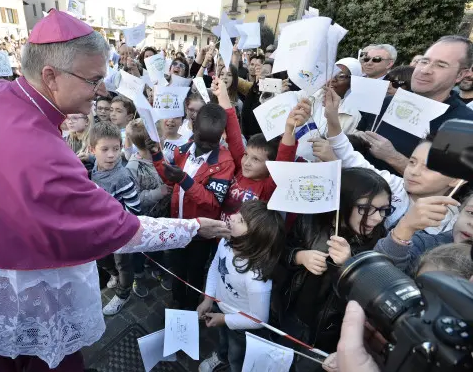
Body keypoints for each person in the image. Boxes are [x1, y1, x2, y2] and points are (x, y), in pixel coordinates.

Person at [0, 10, 230, 371]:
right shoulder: (46, 155)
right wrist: (195, 227)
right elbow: (120, 229)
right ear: (50, 76)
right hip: (32, 283)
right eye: (93, 79)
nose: (101, 91)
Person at [279, 167, 393, 371]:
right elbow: (281, 251)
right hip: (292, 314)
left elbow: (374, 297)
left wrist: (350, 265)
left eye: (384, 209)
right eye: (366, 208)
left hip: (330, 334)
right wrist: (299, 256)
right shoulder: (311, 221)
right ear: (344, 202)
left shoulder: (380, 241)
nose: (377, 218)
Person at [322, 89, 462, 233]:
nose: (414, 171)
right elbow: (348, 156)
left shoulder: (453, 224)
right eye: (412, 162)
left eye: (429, 167)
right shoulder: (392, 186)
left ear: (456, 180)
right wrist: (332, 117)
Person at [151, 103, 236, 310]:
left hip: (200, 232)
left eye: (212, 141)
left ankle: (190, 307)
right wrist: (156, 155)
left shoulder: (225, 163)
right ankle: (177, 300)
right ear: (193, 128)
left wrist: (185, 180)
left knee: (195, 271)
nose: (206, 145)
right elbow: (171, 180)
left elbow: (212, 201)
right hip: (178, 225)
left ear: (221, 135)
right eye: (201, 138)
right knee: (178, 267)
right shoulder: (185, 149)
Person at [357, 36, 473, 175]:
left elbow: (446, 185)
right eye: (424, 61)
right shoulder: (388, 102)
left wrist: (393, 157)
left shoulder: (464, 123)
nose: (425, 70)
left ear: (460, 74)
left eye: (441, 65)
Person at [197, 200, 286, 372]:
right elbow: (216, 266)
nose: (231, 217)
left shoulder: (256, 277)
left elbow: (258, 319)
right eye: (238, 213)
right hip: (221, 308)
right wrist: (208, 298)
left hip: (242, 325)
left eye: (241, 220)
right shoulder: (227, 240)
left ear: (255, 238)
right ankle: (221, 356)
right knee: (223, 339)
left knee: (237, 354)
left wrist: (224, 319)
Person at [212, 77, 304, 223]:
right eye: (246, 155)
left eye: (256, 159)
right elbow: (234, 134)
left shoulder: (268, 187)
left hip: (246, 245)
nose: (246, 162)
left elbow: (284, 161)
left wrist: (289, 129)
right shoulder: (239, 170)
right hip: (220, 242)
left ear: (271, 167)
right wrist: (222, 96)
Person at [90, 121, 142, 314]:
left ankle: (124, 292)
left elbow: (134, 209)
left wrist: (119, 229)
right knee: (102, 259)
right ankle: (114, 276)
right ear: (92, 149)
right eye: (104, 149)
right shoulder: (94, 166)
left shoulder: (122, 177)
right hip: (100, 230)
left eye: (116, 148)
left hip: (119, 233)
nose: (111, 155)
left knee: (123, 264)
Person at [125, 119, 173, 295]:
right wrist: (158, 192)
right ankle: (138, 276)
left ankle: (157, 268)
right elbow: (134, 198)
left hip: (161, 216)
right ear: (155, 138)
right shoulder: (133, 167)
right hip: (143, 221)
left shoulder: (162, 156)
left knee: (158, 245)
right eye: (161, 134)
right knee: (140, 251)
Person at [374, 193, 470, 276]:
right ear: (459, 213)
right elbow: (376, 275)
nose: (472, 223)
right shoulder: (425, 245)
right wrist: (405, 228)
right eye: (471, 213)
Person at [294, 57, 364, 161]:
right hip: (294, 157)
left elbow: (344, 149)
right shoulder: (309, 95)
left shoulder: (353, 115)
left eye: (341, 76)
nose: (333, 80)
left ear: (352, 81)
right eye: (331, 74)